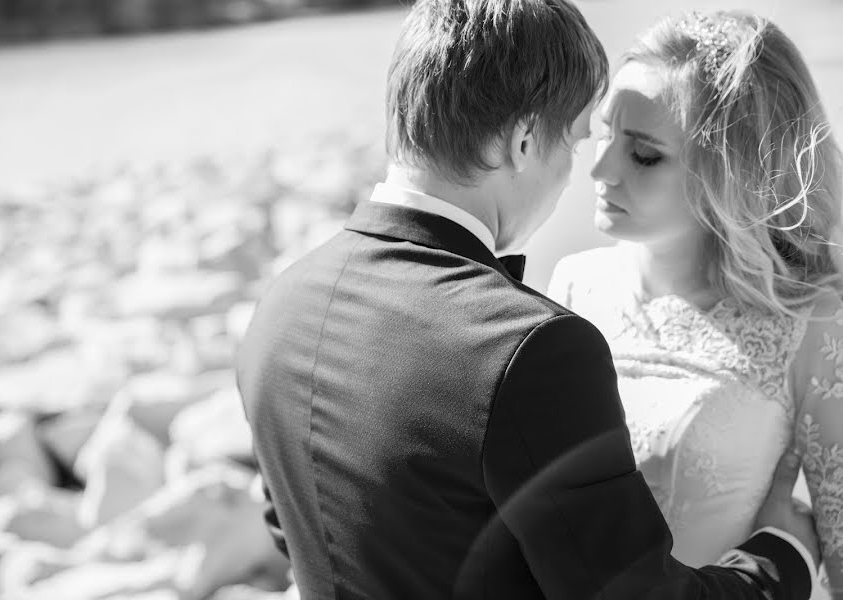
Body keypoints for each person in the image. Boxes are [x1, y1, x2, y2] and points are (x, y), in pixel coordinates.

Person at [237, 1, 819, 598]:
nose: (587, 173)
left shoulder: (280, 305)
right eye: (575, 143)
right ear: (521, 142)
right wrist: (783, 555)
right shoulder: (527, 346)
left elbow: (290, 530)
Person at [547, 10, 843, 599]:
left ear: (730, 171)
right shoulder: (572, 285)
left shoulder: (812, 324)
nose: (602, 171)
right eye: (605, 134)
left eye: (645, 155)